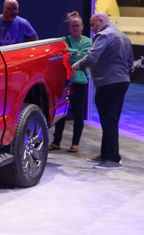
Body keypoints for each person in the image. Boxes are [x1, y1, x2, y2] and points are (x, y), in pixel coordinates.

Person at [72, 12, 134, 170]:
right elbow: (131, 62)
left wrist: (77, 66)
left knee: (108, 119)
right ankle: (106, 154)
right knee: (111, 119)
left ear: (101, 21)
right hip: (123, 82)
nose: (92, 29)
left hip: (108, 83)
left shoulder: (104, 35)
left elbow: (92, 57)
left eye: (93, 25)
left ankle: (113, 158)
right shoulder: (123, 36)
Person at [50, 12, 91, 153]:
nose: (75, 28)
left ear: (82, 26)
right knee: (61, 114)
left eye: (77, 26)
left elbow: (82, 58)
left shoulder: (87, 42)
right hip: (65, 82)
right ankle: (56, 142)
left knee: (78, 114)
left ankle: (75, 144)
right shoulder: (63, 40)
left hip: (80, 82)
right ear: (68, 27)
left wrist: (69, 53)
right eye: (72, 26)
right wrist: (74, 52)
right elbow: (60, 56)